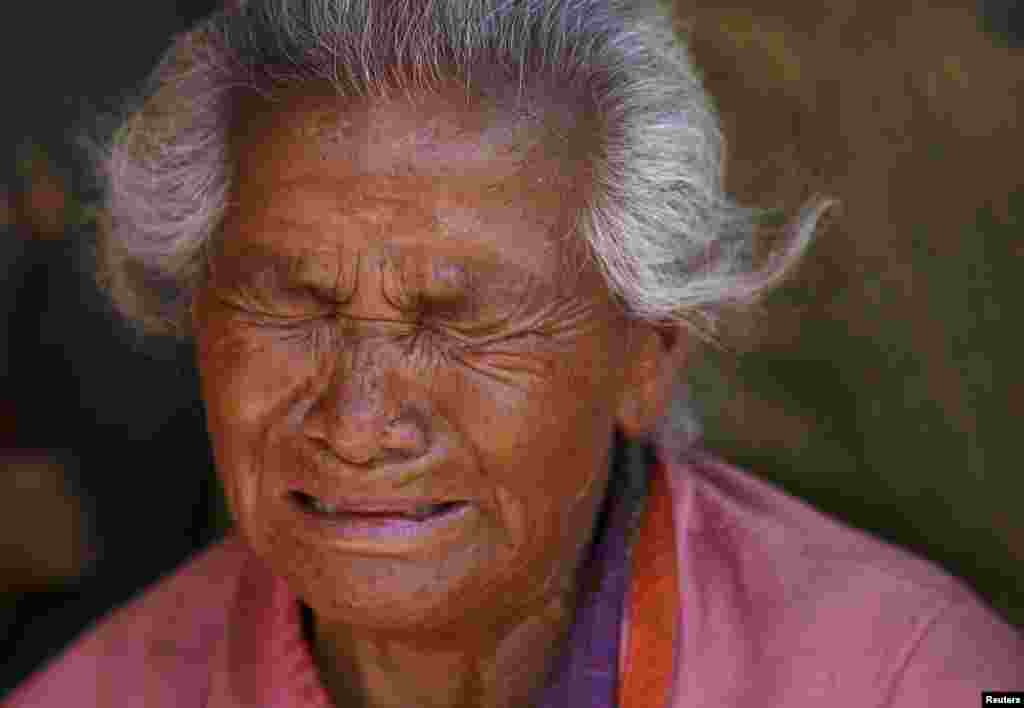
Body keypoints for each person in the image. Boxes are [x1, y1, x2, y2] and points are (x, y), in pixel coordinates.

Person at [5, 1, 1022, 706]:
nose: (359, 424)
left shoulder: (911, 677)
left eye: (458, 322)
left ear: (647, 357)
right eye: (289, 307)